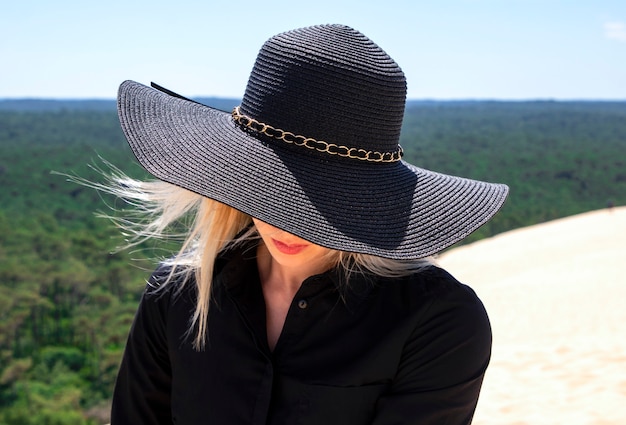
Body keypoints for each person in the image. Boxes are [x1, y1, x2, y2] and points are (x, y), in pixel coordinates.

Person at [107, 24, 509, 424]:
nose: (287, 226)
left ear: (370, 198)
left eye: (320, 204)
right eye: (270, 191)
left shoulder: (439, 320)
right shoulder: (177, 295)